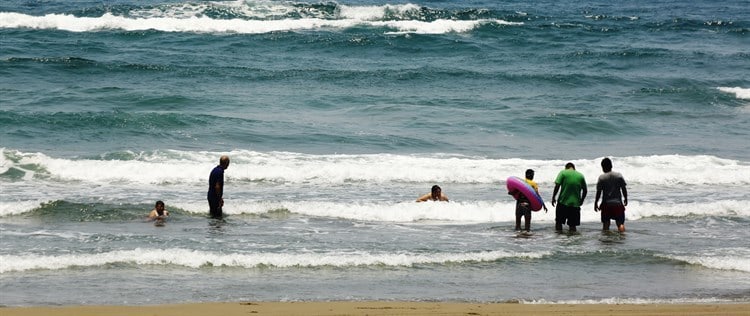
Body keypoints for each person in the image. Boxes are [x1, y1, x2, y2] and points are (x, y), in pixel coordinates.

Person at [594, 157, 628, 232]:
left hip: (606, 205)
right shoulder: (618, 176)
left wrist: (596, 202)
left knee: (606, 224)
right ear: (611, 166)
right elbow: (623, 189)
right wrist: (626, 198)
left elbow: (599, 192)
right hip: (618, 203)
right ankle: (622, 237)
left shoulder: (602, 178)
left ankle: (606, 240)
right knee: (620, 223)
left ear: (602, 167)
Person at [551, 162, 587, 233]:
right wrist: (582, 200)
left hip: (563, 202)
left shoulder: (563, 173)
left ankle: (559, 238)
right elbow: (585, 190)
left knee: (559, 222)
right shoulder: (580, 175)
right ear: (574, 168)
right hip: (575, 204)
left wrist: (553, 197)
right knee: (572, 225)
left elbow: (557, 185)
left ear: (566, 168)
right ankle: (572, 240)